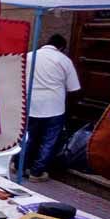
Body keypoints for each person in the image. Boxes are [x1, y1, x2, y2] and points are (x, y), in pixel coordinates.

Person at [25, 34, 81, 182]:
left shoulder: (29, 56)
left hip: (31, 104)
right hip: (54, 107)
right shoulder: (64, 60)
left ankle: (19, 165)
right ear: (62, 47)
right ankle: (36, 173)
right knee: (48, 141)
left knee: (28, 137)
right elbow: (73, 88)